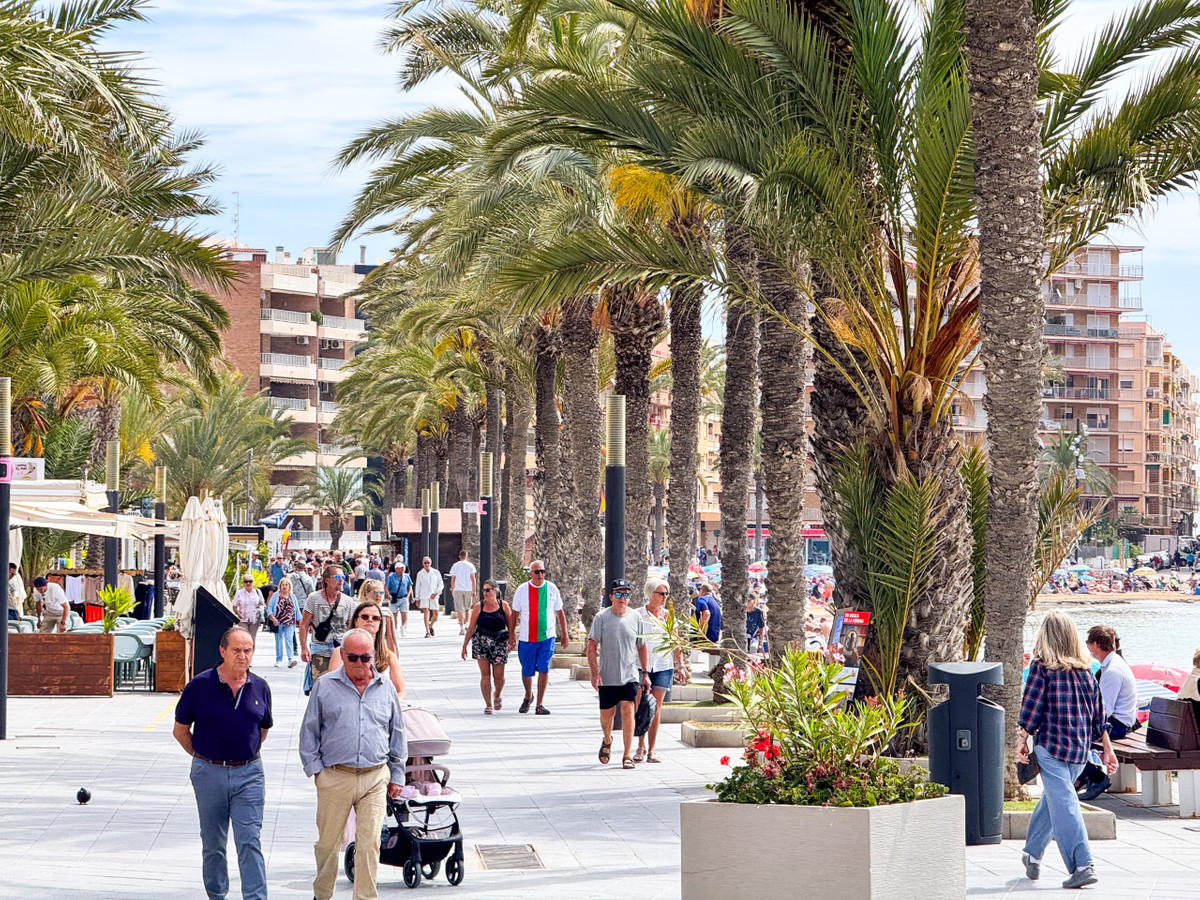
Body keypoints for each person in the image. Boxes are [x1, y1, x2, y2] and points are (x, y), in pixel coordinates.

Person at [299, 628, 407, 900]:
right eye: (352, 657)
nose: (359, 663)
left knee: (369, 844)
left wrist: (397, 775)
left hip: (374, 777)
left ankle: (365, 897)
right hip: (335, 776)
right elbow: (309, 730)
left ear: (372, 656)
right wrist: (317, 771)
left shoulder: (386, 688)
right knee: (327, 845)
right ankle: (322, 895)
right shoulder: (325, 686)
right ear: (343, 655)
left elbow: (397, 732)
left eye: (365, 657)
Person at [1016, 611, 1117, 890]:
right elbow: (1099, 717)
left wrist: (1021, 739)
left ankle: (1082, 865)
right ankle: (1032, 854)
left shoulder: (1041, 668)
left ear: (1045, 636)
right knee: (1057, 799)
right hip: (1079, 751)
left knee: (1064, 804)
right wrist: (1108, 750)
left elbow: (1031, 708)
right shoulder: (1086, 672)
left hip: (1051, 748)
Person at [173, 626, 272, 900]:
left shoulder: (260, 686)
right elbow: (180, 730)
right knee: (213, 843)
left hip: (249, 773)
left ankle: (256, 897)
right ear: (222, 651)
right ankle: (216, 894)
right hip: (209, 773)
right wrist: (204, 757)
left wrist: (244, 751)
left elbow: (262, 729)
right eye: (236, 650)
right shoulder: (200, 685)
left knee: (249, 839)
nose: (243, 656)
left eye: (248, 650)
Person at [587, 580, 651, 769]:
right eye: (618, 594)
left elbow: (642, 646)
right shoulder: (601, 617)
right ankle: (607, 739)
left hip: (629, 675)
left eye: (625, 595)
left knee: (628, 711)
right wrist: (595, 673)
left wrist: (645, 673)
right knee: (607, 714)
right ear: (611, 596)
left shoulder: (636, 618)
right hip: (607, 676)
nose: (622, 598)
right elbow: (591, 646)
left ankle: (627, 755)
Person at [508, 560, 567, 715]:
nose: (540, 574)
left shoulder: (552, 588)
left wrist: (565, 634)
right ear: (530, 574)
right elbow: (514, 614)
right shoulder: (522, 590)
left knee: (544, 667)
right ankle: (528, 696)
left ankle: (540, 704)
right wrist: (511, 635)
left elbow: (559, 612)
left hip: (547, 637)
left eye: (542, 571)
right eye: (537, 572)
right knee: (527, 671)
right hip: (527, 638)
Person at [636, 578, 681, 763]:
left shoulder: (668, 617)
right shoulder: (638, 615)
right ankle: (640, 747)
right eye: (661, 593)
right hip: (641, 666)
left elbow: (675, 642)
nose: (664, 597)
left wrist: (681, 665)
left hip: (663, 665)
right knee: (642, 706)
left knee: (656, 708)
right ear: (650, 594)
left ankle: (652, 750)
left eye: (666, 594)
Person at [328, 594, 407, 698]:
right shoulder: (340, 653)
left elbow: (401, 691)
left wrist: (391, 704)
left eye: (375, 618)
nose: (370, 620)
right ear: (356, 621)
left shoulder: (389, 656)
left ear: (380, 624)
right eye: (365, 617)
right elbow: (332, 687)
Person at [299, 566, 355, 692]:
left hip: (341, 653)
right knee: (320, 689)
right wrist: (304, 648)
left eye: (343, 577)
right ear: (327, 580)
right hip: (320, 652)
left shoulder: (348, 602)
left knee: (340, 690)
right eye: (337, 577)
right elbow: (304, 624)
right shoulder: (314, 598)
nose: (341, 580)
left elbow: (352, 628)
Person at [461, 579, 511, 714]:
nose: (485, 593)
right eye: (483, 590)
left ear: (495, 591)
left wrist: (512, 640)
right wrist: (465, 645)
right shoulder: (479, 606)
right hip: (481, 641)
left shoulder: (504, 605)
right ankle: (488, 704)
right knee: (485, 674)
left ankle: (497, 694)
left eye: (488, 590)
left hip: (499, 642)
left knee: (499, 676)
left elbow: (511, 624)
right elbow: (471, 627)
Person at [1086, 626, 1138, 740]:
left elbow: (1105, 711)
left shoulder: (1112, 671)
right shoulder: (1113, 663)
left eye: (1087, 643)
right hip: (1119, 721)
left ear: (1095, 644)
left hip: (1117, 726)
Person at [267, 576, 299, 668]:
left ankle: (290, 659)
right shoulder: (275, 596)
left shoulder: (292, 596)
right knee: (279, 641)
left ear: (289, 586)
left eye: (286, 585)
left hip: (290, 622)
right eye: (283, 585)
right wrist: (273, 618)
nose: (284, 587)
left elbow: (296, 610)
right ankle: (279, 659)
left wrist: (300, 621)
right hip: (278, 622)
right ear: (280, 586)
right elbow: (270, 608)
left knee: (289, 640)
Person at [448, 549, 477, 636]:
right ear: (466, 556)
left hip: (458, 589)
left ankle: (461, 627)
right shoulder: (470, 566)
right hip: (468, 589)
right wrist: (474, 590)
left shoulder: (455, 566)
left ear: (459, 556)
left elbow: (453, 579)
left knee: (460, 609)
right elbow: (473, 579)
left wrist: (452, 588)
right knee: (468, 608)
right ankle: (467, 624)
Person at [415, 556, 443, 638]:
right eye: (425, 563)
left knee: (436, 614)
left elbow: (440, 584)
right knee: (426, 612)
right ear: (423, 563)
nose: (427, 564)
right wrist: (417, 598)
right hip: (424, 596)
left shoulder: (436, 572)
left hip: (434, 595)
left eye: (428, 563)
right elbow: (417, 586)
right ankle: (427, 632)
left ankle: (430, 625)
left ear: (431, 563)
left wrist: (436, 592)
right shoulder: (420, 574)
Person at [233, 576, 264, 649]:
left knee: (252, 639)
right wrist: (238, 614)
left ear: (253, 582)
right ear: (243, 583)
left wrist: (259, 606)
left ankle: (250, 655)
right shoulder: (239, 593)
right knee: (244, 638)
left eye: (250, 581)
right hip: (243, 619)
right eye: (246, 581)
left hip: (255, 619)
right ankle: (244, 653)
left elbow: (262, 602)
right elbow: (234, 606)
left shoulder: (257, 592)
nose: (248, 583)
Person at [386, 561, 413, 637]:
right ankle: (394, 629)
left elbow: (410, 586)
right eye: (401, 568)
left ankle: (403, 627)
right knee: (394, 615)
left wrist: (409, 595)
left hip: (403, 597)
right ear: (396, 569)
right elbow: (386, 587)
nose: (402, 570)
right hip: (394, 598)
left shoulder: (406, 576)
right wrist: (388, 595)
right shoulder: (391, 577)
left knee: (404, 613)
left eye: (403, 568)